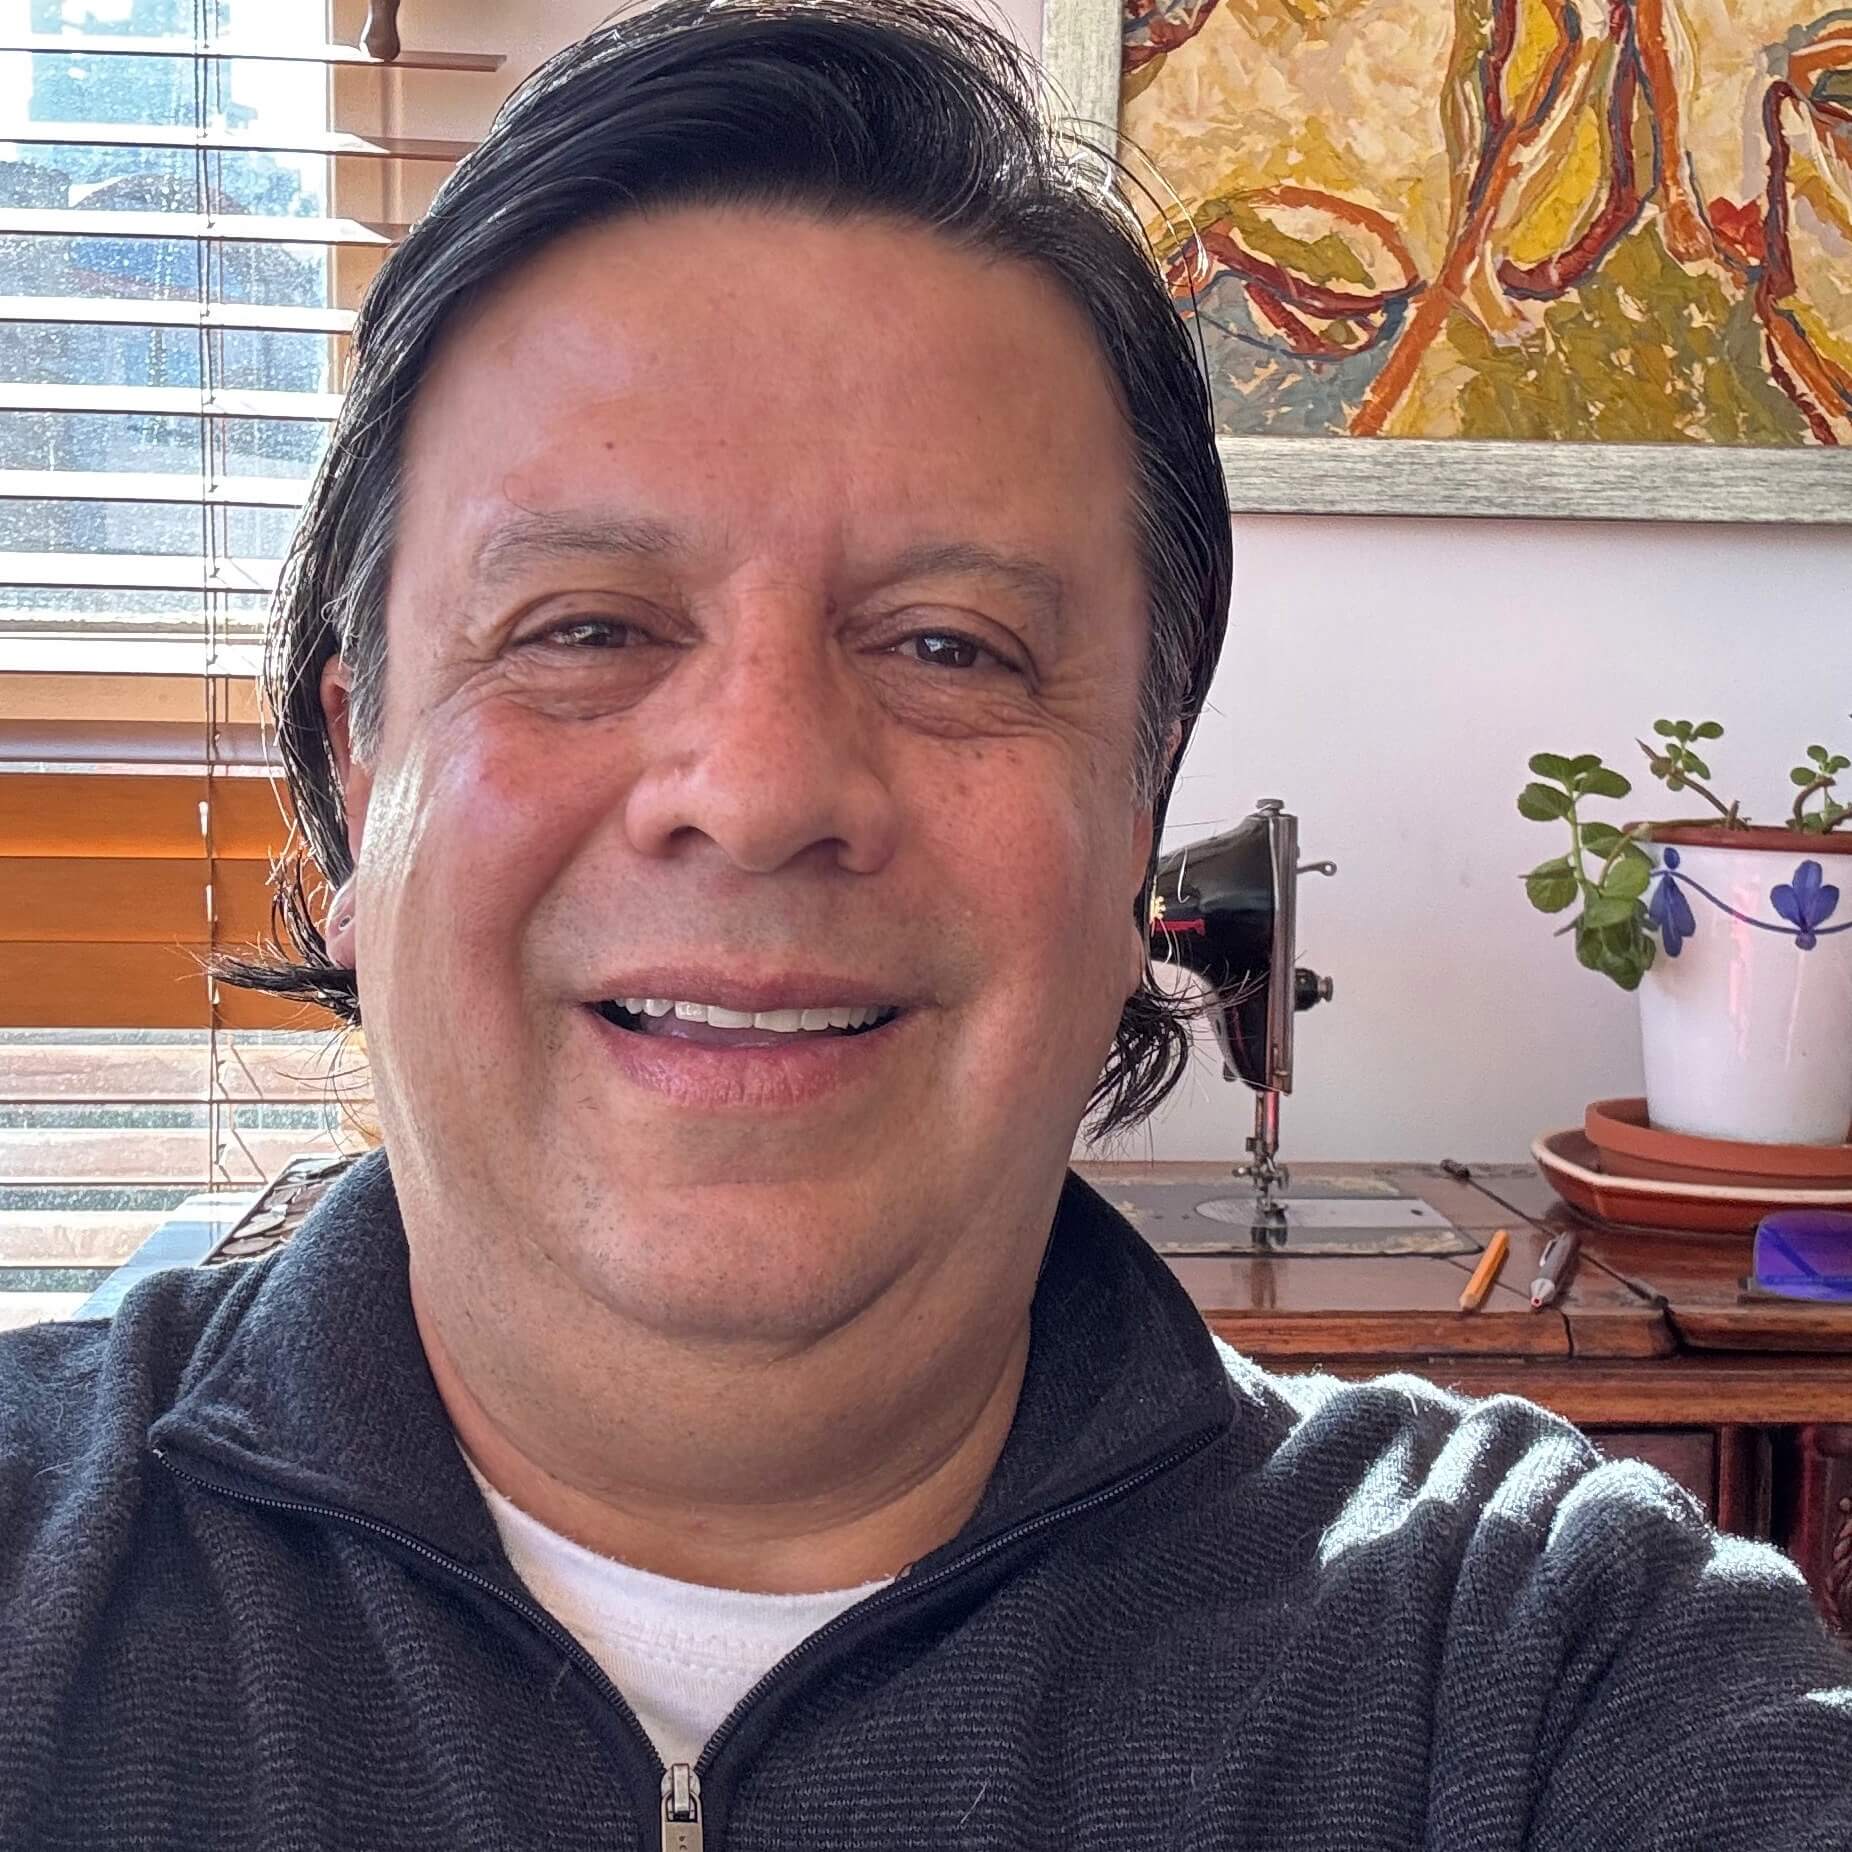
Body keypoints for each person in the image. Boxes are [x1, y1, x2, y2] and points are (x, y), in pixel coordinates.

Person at [2, 3, 1849, 1847]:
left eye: (953, 648)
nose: (760, 788)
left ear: (1136, 828)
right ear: (359, 772)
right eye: (585, 628)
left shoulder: (1545, 1663)